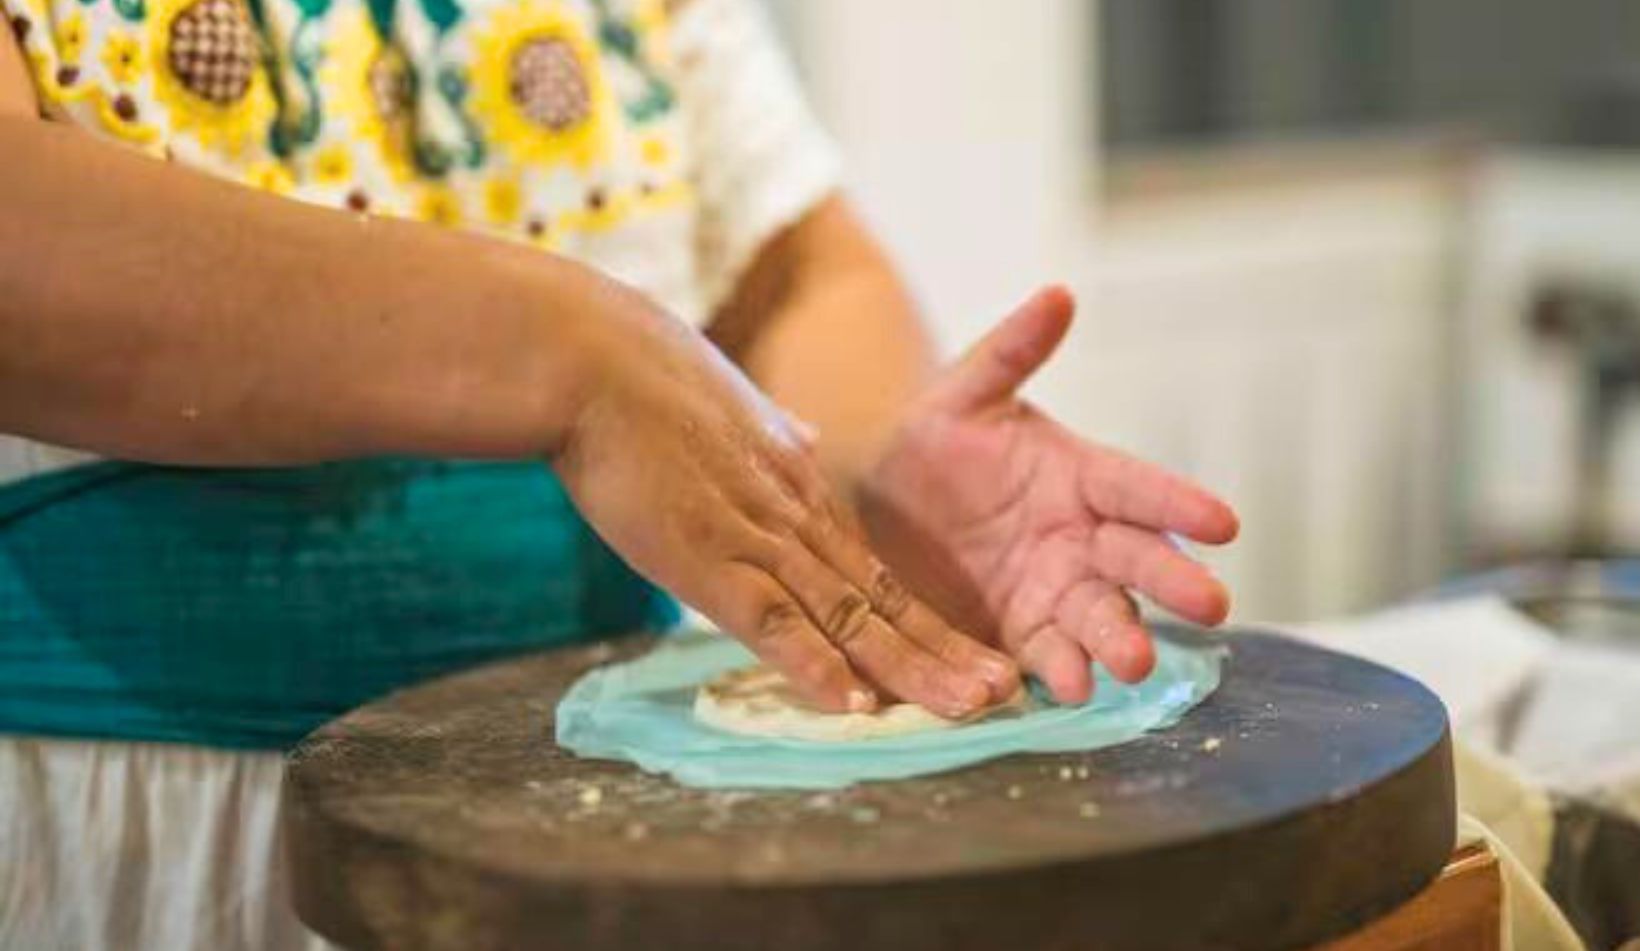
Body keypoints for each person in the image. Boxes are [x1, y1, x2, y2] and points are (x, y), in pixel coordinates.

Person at [0, 0, 1238, 944]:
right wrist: (569, 358)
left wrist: (863, 475)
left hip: (600, 826)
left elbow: (796, 273)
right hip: (141, 833)